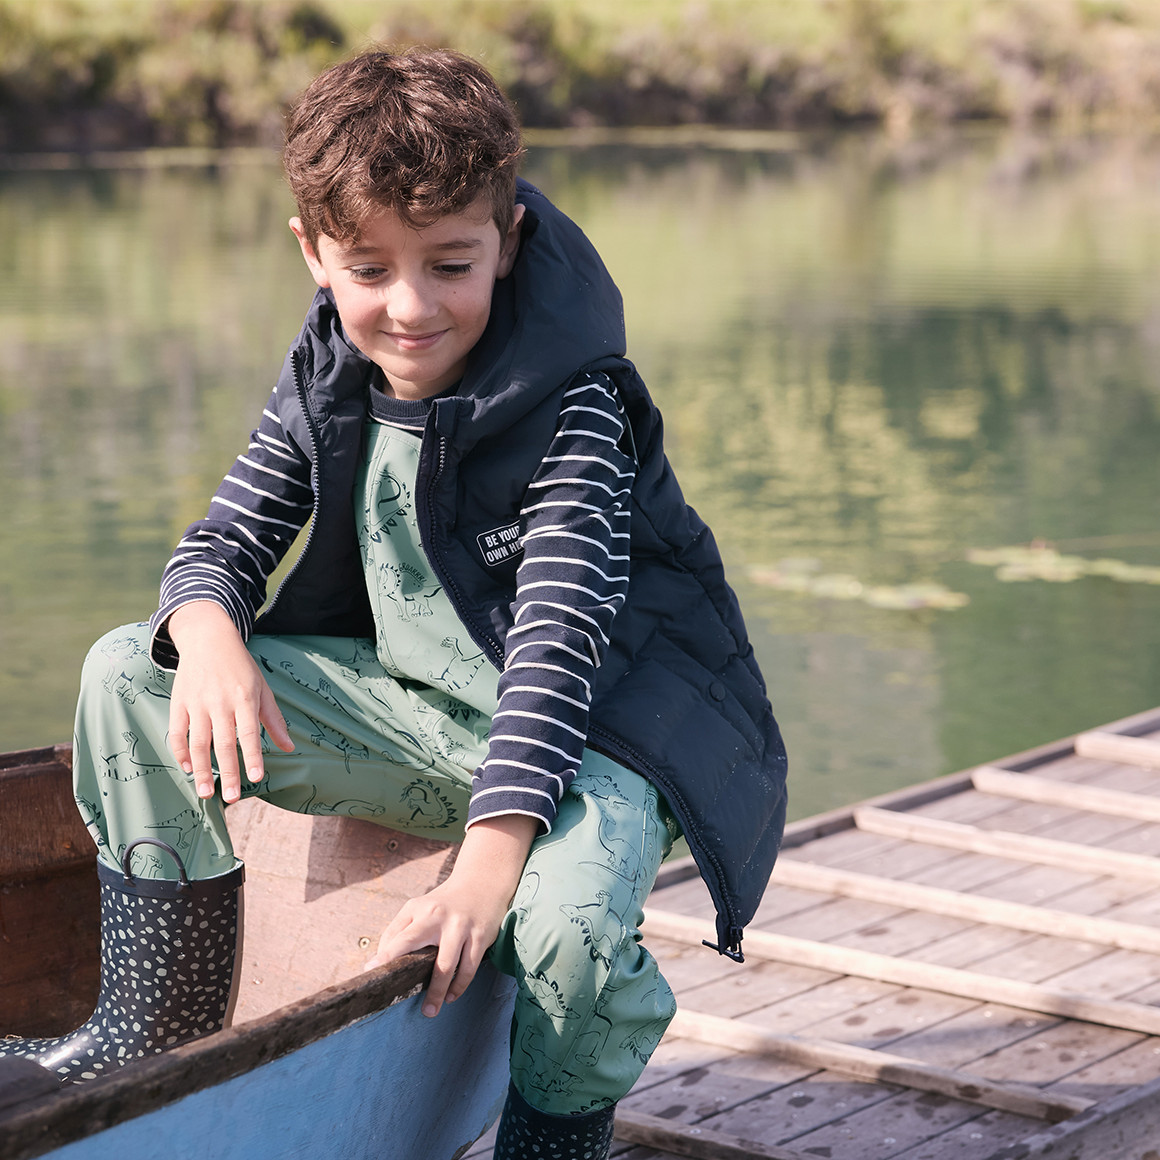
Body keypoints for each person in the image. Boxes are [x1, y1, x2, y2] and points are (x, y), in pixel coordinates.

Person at [0, 47, 787, 1159]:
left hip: (604, 738)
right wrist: (210, 627)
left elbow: (557, 649)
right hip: (429, 717)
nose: (409, 307)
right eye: (368, 268)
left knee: (556, 925)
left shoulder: (575, 408)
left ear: (506, 243)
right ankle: (147, 1036)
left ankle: (552, 1139)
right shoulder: (327, 365)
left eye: (449, 263)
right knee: (131, 669)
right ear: (313, 253)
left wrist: (486, 864)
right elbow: (226, 534)